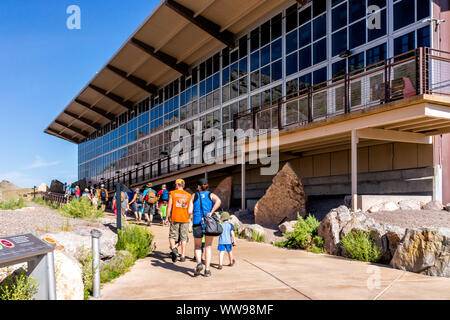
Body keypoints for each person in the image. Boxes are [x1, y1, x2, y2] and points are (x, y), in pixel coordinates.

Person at [188, 178, 222, 277]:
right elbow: (218, 201)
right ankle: (207, 270)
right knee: (208, 246)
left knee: (198, 246)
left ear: (198, 186)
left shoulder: (194, 195)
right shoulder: (211, 195)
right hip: (208, 224)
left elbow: (189, 211)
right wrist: (211, 212)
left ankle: (199, 263)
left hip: (197, 223)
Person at [164, 179, 191, 263]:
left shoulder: (172, 193)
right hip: (185, 218)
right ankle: (183, 256)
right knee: (184, 237)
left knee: (172, 236)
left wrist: (166, 218)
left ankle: (174, 249)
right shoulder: (188, 195)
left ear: (177, 185)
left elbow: (169, 206)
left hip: (175, 217)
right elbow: (190, 208)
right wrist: (190, 219)